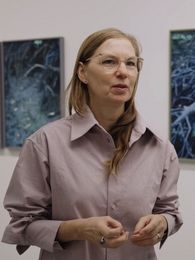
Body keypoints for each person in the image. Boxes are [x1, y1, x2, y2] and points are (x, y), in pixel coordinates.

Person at [2, 28, 183, 260]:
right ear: (83, 72)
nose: (122, 72)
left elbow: (170, 212)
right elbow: (22, 226)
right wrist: (78, 229)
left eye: (130, 63)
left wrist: (163, 223)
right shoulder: (44, 143)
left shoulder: (159, 148)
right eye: (109, 62)